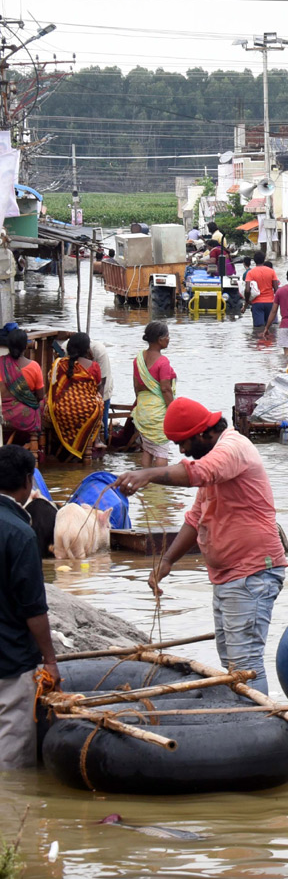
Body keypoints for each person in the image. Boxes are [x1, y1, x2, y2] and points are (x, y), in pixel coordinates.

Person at [116, 398, 287, 696]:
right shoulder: (215, 458)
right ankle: (244, 719)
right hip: (228, 575)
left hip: (252, 573)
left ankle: (258, 725)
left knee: (245, 663)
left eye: (184, 444)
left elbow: (198, 473)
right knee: (232, 661)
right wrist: (167, 560)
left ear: (205, 433)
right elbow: (197, 517)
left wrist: (147, 474)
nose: (182, 451)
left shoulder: (233, 449)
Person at [0, 445, 59, 769]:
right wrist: (50, 660)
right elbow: (34, 608)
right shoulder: (20, 533)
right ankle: (13, 818)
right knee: (10, 761)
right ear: (27, 482)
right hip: (9, 661)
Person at [45, 332, 104, 462]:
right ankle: (95, 440)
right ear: (87, 348)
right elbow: (97, 387)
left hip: (60, 412)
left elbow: (51, 381)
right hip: (87, 412)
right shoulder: (94, 366)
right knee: (99, 400)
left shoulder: (59, 364)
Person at [132, 321, 176, 468]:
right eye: (167, 336)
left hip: (143, 409)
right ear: (160, 339)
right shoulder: (163, 362)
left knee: (147, 449)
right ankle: (159, 487)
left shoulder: (138, 359)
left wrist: (142, 404)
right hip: (158, 412)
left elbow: (136, 386)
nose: (169, 338)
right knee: (161, 451)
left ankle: (146, 486)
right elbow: (165, 389)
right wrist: (173, 409)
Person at [0, 328, 44, 445]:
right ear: (26, 346)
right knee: (43, 404)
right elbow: (40, 396)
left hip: (2, 413)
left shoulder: (1, 363)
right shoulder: (34, 366)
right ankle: (35, 445)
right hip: (25, 416)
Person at [245, 251, 280, 333]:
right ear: (264, 259)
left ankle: (260, 344)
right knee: (271, 327)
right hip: (270, 303)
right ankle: (271, 345)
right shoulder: (271, 271)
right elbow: (276, 289)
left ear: (254, 261)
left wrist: (247, 301)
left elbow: (247, 290)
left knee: (258, 329)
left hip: (257, 303)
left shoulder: (250, 273)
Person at [89, 338, 114, 442]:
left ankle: (103, 439)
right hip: (84, 394)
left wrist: (98, 407)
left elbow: (102, 383)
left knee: (102, 415)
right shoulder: (66, 349)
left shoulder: (99, 351)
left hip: (101, 387)